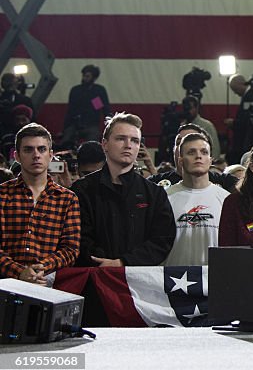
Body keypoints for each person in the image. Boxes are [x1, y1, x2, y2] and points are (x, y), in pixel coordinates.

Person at [72, 113, 176, 266]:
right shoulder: (82, 190)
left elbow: (162, 240)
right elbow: (77, 237)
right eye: (121, 138)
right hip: (93, 276)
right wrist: (103, 263)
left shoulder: (154, 194)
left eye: (135, 141)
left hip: (139, 282)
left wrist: (123, 262)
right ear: (104, 144)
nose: (128, 145)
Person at [0, 123, 81, 281]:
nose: (36, 155)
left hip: (47, 284)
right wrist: (19, 272)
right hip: (5, 285)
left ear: (50, 155)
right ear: (16, 156)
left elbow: (71, 249)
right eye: (28, 149)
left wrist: (40, 269)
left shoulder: (67, 199)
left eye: (41, 149)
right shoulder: (2, 194)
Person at [164, 131, 231, 265]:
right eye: (191, 152)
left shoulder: (226, 199)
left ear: (210, 160)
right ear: (180, 160)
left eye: (204, 152)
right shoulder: (164, 198)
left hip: (215, 281)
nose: (198, 156)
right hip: (174, 281)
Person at [62, 65, 112, 145]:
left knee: (92, 144)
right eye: (84, 76)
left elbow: (104, 109)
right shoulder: (76, 90)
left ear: (94, 78)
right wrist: (65, 128)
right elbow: (70, 110)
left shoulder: (98, 91)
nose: (84, 78)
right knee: (65, 143)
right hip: (74, 125)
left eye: (87, 76)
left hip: (91, 125)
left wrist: (110, 124)